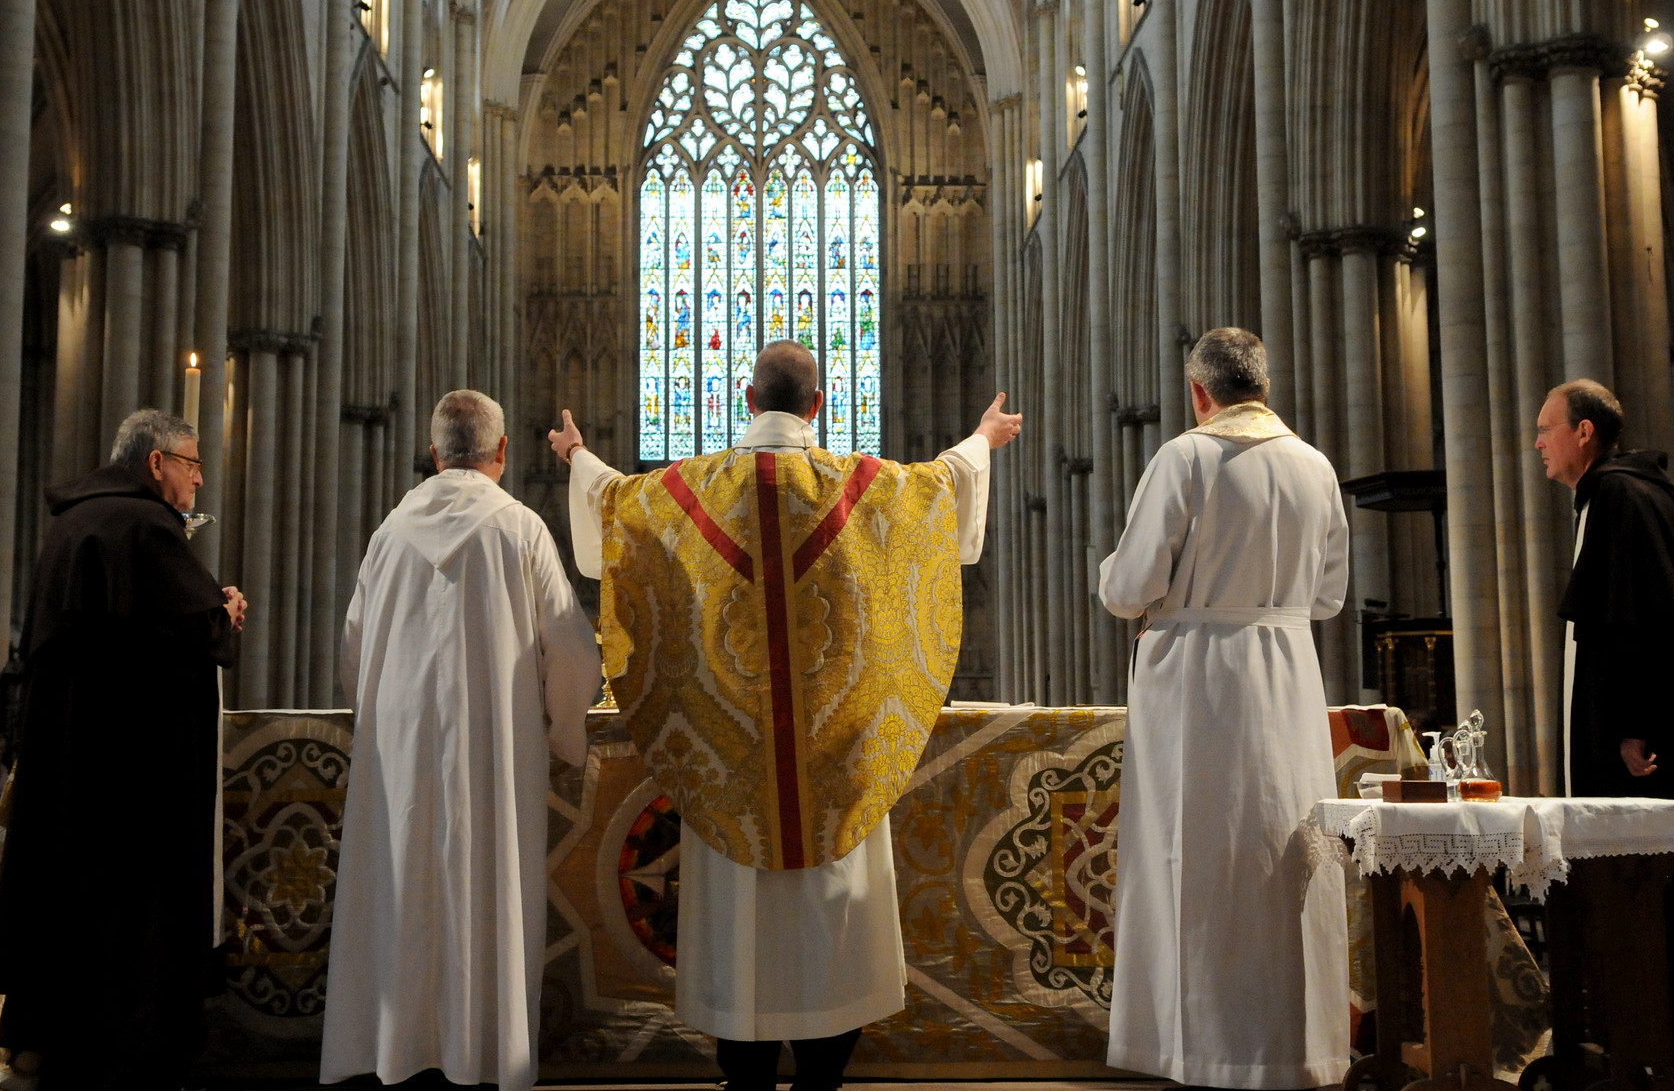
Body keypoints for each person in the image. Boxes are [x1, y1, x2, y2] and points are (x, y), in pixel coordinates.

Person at [551, 339, 1019, 1091]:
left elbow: (615, 503)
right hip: (835, 765)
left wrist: (578, 456)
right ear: (819, 404)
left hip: (727, 765)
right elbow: (942, 486)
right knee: (831, 918)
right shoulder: (861, 490)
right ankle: (825, 1068)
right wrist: (983, 439)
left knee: (743, 930)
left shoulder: (689, 493)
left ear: (745, 401)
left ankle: (745, 1069)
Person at [321, 390, 604, 1090]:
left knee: (401, 900)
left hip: (399, 766)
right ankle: (483, 1059)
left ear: (434, 452)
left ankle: (397, 1051)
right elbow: (571, 656)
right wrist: (566, 731)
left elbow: (352, 653)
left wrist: (388, 721)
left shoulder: (390, 532)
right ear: (502, 453)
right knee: (487, 902)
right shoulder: (520, 528)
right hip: (493, 763)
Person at [1096, 327, 1350, 1090]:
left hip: (1198, 682)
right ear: (1261, 385)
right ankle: (1294, 1046)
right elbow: (1329, 595)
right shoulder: (1315, 465)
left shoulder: (1187, 456)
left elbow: (1129, 586)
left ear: (1199, 391)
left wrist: (1116, 572)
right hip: (1287, 675)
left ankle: (1201, 1047)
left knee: (1197, 862)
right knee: (1283, 854)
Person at [0, 408, 247, 1091]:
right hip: (132, 771)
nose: (197, 479)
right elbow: (201, 637)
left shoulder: (71, 524)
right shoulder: (145, 526)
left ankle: (43, 1038)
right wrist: (225, 612)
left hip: (67, 756)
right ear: (156, 463)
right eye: (191, 464)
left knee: (60, 896)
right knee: (133, 908)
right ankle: (133, 1045)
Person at [1537, 378, 1674, 1089]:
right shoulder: (1618, 496)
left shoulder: (1620, 497)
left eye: (1546, 429)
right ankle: (1649, 1040)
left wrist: (1633, 728)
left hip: (1642, 752)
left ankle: (1661, 1046)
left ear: (1584, 432)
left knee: (1654, 897)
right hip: (1640, 739)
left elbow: (1647, 624)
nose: (1538, 443)